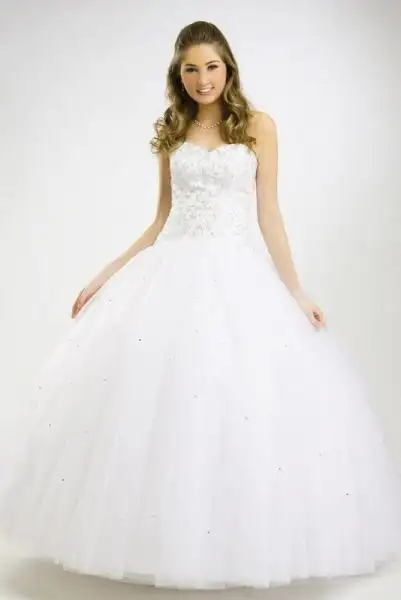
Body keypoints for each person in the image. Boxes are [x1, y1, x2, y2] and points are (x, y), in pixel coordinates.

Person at [0, 20, 400, 592]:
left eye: (212, 66)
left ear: (228, 67)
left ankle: (234, 543)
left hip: (237, 276)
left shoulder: (258, 126)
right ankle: (163, 542)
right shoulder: (173, 128)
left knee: (235, 406)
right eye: (191, 69)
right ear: (178, 74)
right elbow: (161, 219)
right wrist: (107, 274)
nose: (202, 79)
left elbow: (269, 215)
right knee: (162, 408)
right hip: (173, 273)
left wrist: (294, 290)